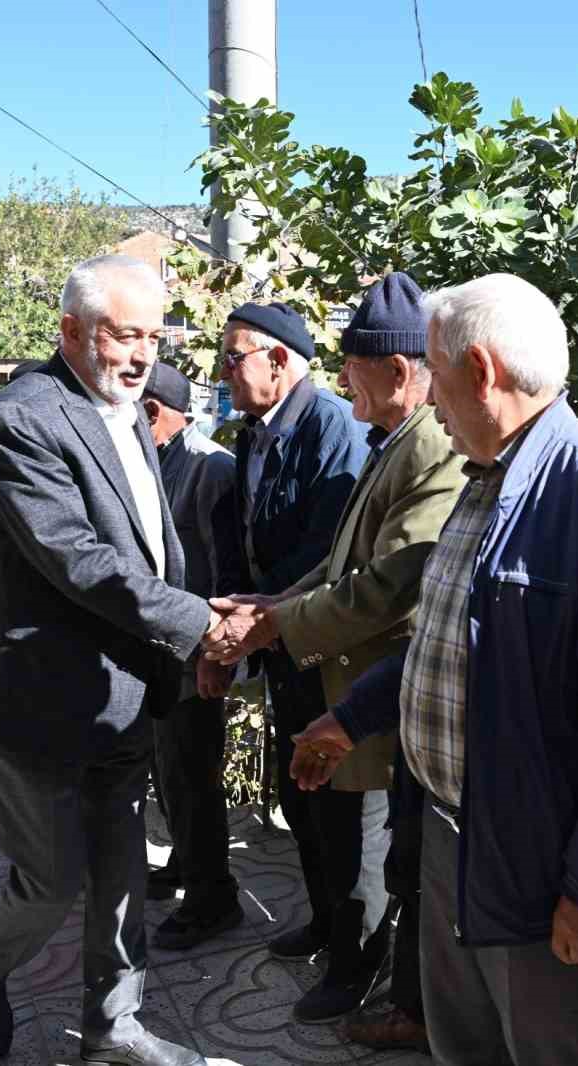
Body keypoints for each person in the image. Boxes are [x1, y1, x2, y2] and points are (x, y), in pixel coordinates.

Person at [290, 273, 578, 1065]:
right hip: (453, 835)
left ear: (479, 370)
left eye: (436, 377)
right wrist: (351, 718)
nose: (432, 403)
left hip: (545, 870)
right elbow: (446, 646)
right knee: (464, 1044)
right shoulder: (486, 484)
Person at [0, 255, 222, 1066]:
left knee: (119, 874)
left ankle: (115, 1026)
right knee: (52, 881)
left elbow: (150, 547)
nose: (143, 354)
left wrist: (183, 636)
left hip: (127, 695)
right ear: (71, 330)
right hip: (39, 704)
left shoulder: (130, 409)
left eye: (154, 335)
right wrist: (201, 623)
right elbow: (77, 558)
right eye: (123, 334)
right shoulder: (22, 418)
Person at [207, 271, 465, 1035]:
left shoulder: (432, 446)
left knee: (372, 850)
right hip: (339, 669)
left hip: (379, 683)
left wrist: (278, 625)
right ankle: (342, 947)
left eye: (351, 365)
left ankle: (360, 971)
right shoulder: (397, 440)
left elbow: (391, 585)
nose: (340, 378)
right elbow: (341, 563)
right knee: (335, 830)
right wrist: (272, 607)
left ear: (396, 370)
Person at [213, 298, 371, 1018]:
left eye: (233, 356)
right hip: (278, 640)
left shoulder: (331, 426)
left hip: (320, 645)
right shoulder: (254, 432)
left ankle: (353, 957)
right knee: (299, 793)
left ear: (279, 360)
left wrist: (264, 615)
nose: (223, 370)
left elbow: (328, 550)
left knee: (338, 803)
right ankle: (321, 917)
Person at [138, 359, 246, 951]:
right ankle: (186, 861)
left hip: (195, 653)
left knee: (192, 776)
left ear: (154, 412)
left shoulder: (211, 469)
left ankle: (213, 899)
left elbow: (228, 570)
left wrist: (217, 655)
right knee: (169, 772)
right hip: (162, 652)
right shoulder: (161, 460)